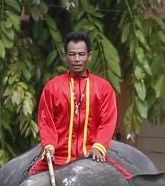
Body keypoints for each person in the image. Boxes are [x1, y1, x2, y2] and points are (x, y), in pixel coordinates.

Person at [28, 31, 125, 177]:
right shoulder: (52, 87)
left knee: (126, 182)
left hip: (92, 154)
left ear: (89, 56)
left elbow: (108, 121)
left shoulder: (103, 87)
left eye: (81, 54)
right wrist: (49, 145)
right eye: (72, 54)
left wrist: (99, 146)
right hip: (58, 156)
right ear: (65, 56)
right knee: (27, 184)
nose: (77, 59)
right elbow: (46, 121)